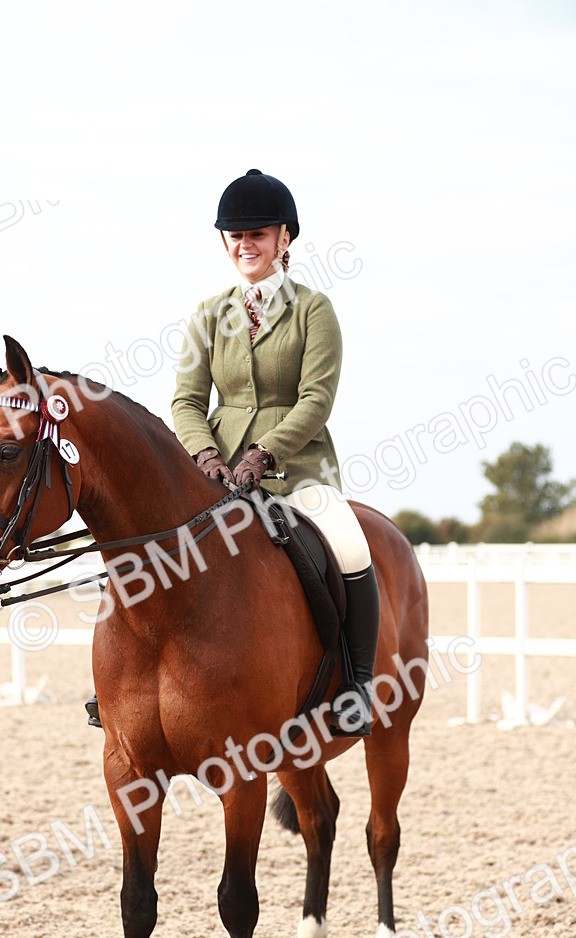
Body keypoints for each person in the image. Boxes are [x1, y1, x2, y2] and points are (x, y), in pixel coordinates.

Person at [169, 168, 379, 737]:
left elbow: (317, 398)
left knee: (350, 544)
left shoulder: (314, 310)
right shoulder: (209, 314)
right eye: (235, 236)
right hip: (217, 474)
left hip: (299, 469)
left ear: (284, 239)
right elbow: (186, 400)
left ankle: (359, 684)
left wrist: (264, 451)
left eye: (257, 234)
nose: (245, 245)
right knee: (155, 548)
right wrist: (206, 455)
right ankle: (128, 683)